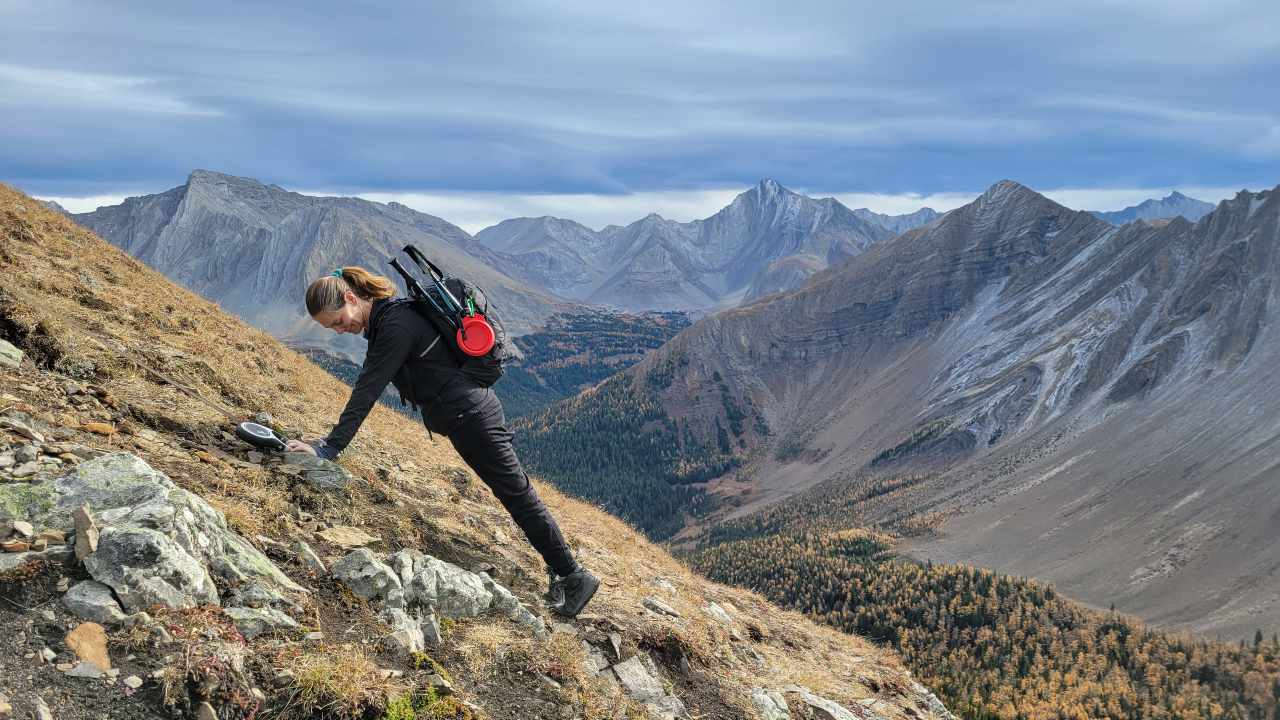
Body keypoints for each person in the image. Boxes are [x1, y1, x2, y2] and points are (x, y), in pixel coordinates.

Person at [284, 266, 600, 618]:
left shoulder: (394, 327)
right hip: (469, 415)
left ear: (351, 298)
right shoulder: (393, 317)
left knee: (518, 495)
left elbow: (366, 391)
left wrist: (329, 448)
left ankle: (574, 576)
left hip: (473, 419)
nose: (341, 329)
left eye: (339, 320)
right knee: (515, 493)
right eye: (333, 328)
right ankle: (563, 572)